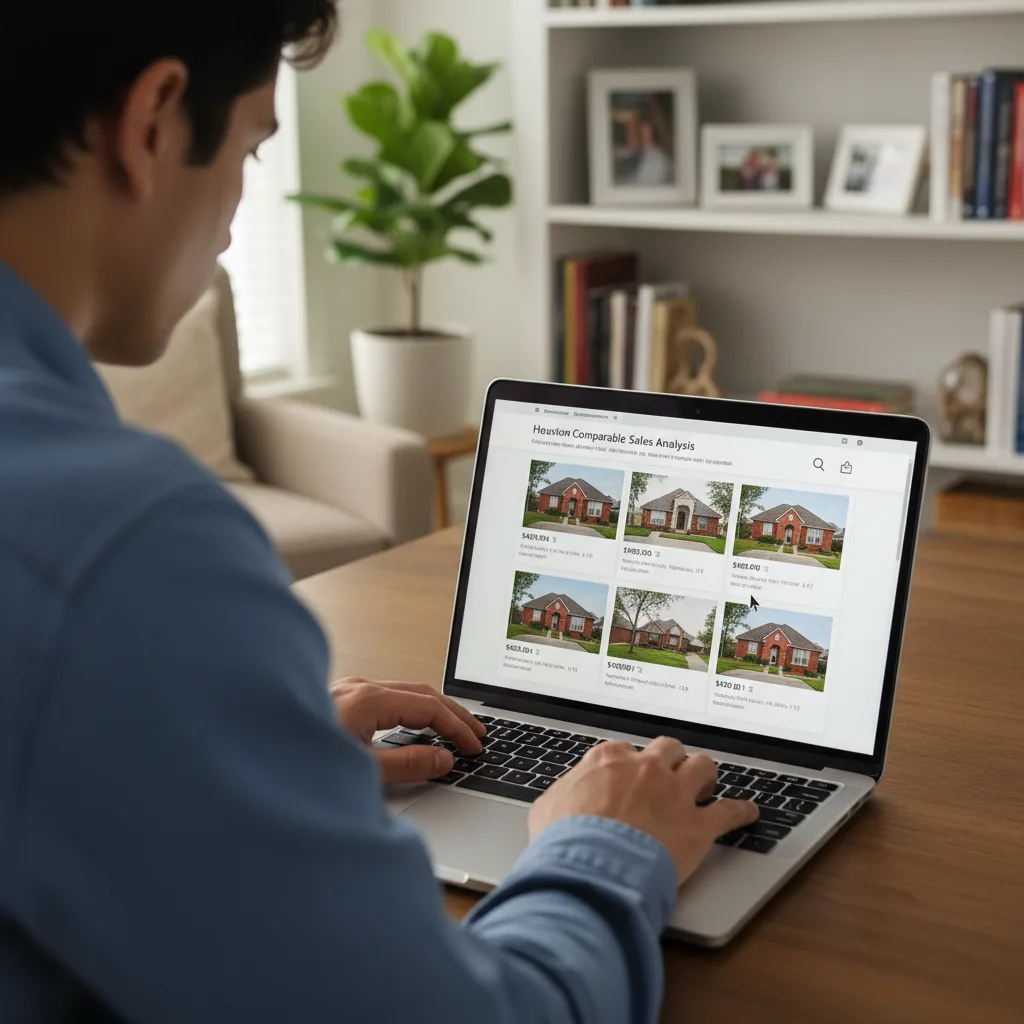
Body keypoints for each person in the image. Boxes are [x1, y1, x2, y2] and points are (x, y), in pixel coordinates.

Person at [0, 4, 758, 1022]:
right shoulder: (123, 545)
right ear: (152, 121)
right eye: (255, 149)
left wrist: (236, 753)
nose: (234, 214)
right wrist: (610, 841)